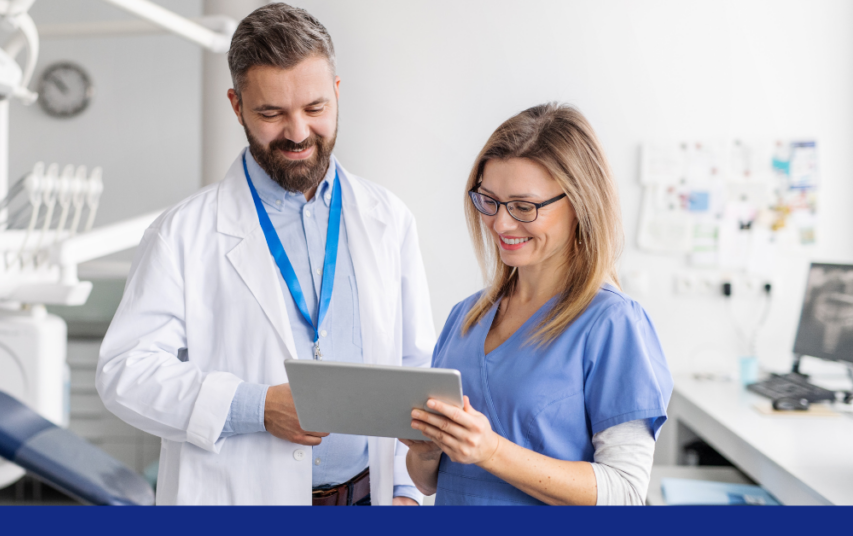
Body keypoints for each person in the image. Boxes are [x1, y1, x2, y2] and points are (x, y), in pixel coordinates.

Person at [96, 3, 433, 506]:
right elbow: (125, 372)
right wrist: (254, 406)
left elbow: (414, 366)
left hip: (370, 498)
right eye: (272, 114)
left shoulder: (387, 218)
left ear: (336, 93)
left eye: (315, 109)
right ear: (237, 106)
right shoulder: (182, 233)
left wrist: (406, 491)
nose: (297, 133)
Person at [402, 103, 673, 505]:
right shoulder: (465, 317)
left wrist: (491, 451)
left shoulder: (612, 323)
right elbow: (430, 483)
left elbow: (625, 491)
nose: (501, 224)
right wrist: (426, 450)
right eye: (489, 201)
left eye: (524, 207)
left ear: (580, 203)